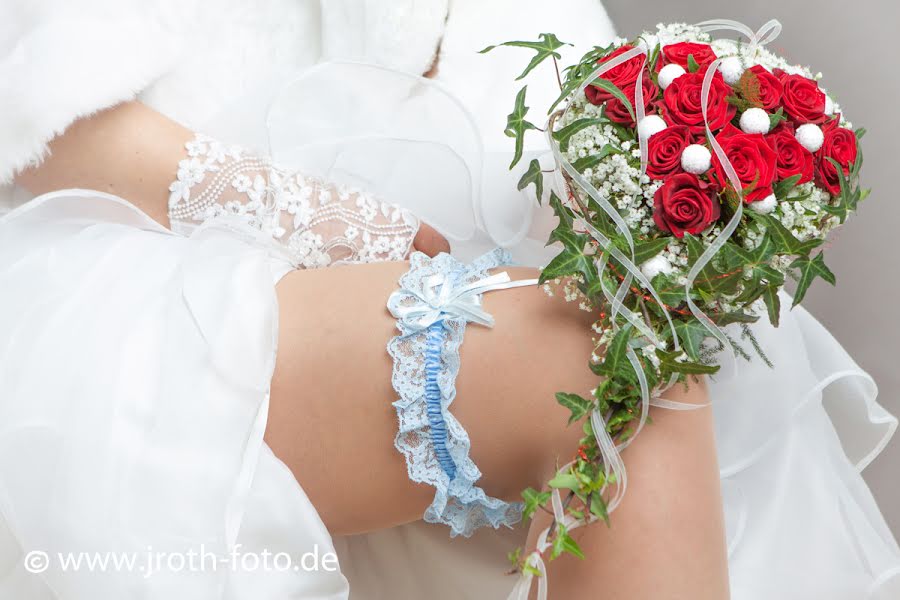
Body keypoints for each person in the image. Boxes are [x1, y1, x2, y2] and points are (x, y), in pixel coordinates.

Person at [0, 2, 897, 599]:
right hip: (134, 254)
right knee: (607, 370)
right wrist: (336, 224)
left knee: (658, 345)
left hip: (429, 241)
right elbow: (41, 113)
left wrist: (643, 159)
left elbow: (535, 60)